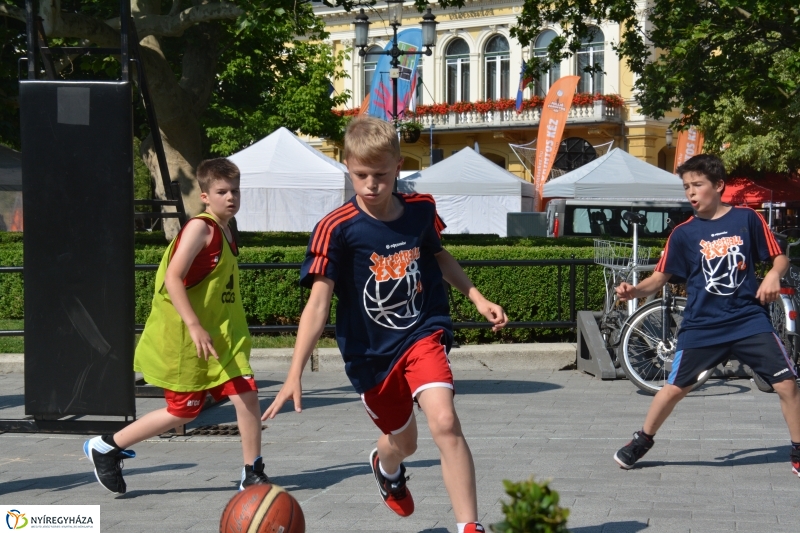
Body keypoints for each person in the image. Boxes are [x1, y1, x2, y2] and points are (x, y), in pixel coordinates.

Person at [262, 117, 508, 533]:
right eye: (361, 175)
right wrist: (293, 373)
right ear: (346, 166)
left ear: (398, 166)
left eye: (380, 174)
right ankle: (386, 462)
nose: (371, 184)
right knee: (405, 442)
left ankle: (470, 526)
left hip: (420, 333)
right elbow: (318, 303)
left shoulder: (420, 210)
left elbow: (438, 255)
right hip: (370, 355)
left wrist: (477, 297)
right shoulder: (335, 229)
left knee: (445, 421)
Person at [83, 158, 268, 495]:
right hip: (188, 337)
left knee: (248, 396)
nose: (231, 197)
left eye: (235, 191)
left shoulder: (226, 228)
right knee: (184, 411)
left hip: (221, 339)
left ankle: (252, 471)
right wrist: (195, 325)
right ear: (204, 196)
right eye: (222, 191)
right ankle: (106, 446)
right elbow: (172, 278)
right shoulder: (201, 228)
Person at [613, 154, 800, 473]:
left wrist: (772, 275)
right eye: (687, 187)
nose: (691, 193)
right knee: (673, 390)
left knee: (788, 385)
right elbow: (658, 280)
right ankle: (642, 440)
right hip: (702, 327)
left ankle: (797, 450)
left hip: (748, 321)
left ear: (719, 186)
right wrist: (634, 290)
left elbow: (779, 259)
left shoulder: (747, 219)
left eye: (698, 185)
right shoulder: (683, 234)